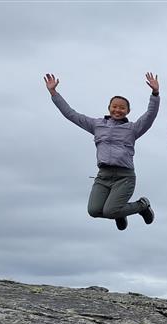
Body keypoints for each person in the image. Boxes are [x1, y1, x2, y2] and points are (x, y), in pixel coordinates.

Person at [44, 72, 159, 231]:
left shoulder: (133, 129)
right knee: (94, 211)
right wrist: (53, 93)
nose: (118, 110)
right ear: (109, 108)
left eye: (122, 108)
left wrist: (155, 94)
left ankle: (142, 205)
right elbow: (71, 114)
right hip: (103, 175)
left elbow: (150, 115)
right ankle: (120, 212)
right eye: (115, 106)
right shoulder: (97, 125)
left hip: (124, 176)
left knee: (111, 211)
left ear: (128, 111)